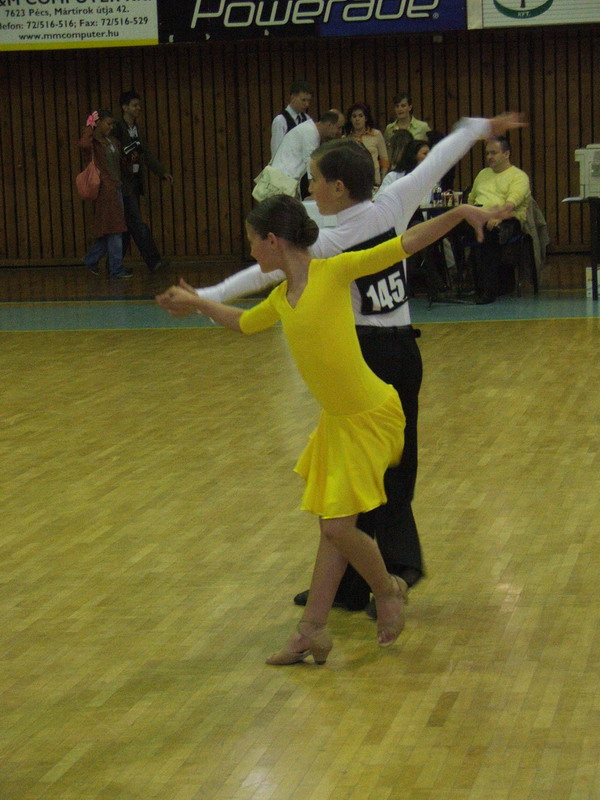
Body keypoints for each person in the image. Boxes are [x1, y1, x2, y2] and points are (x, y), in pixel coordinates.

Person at [157, 112, 525, 620]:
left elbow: (260, 275)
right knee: (357, 479)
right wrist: (478, 128)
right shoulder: (391, 203)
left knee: (381, 475)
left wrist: (205, 295)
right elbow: (440, 160)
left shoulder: (327, 249)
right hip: (393, 352)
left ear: (337, 187)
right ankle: (351, 584)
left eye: (314, 178)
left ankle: (394, 574)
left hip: (374, 356)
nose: (310, 186)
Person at [113, 91, 173, 274]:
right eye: (134, 105)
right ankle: (154, 261)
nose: (138, 108)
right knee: (136, 223)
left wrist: (161, 172)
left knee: (127, 227)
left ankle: (112, 265)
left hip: (134, 183)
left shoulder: (136, 129)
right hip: (123, 184)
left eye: (139, 105)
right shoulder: (117, 129)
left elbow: (145, 154)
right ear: (124, 107)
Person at [466, 136, 531, 304]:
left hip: (508, 220)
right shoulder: (482, 174)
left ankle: (488, 290)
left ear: (506, 154)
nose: (489, 157)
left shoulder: (518, 176)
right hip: (480, 217)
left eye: (493, 153)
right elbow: (471, 199)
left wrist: (497, 217)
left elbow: (512, 203)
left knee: (490, 233)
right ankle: (458, 284)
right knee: (450, 230)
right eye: (487, 153)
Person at [79, 109, 130, 280]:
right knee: (116, 229)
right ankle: (116, 268)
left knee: (111, 229)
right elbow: (83, 145)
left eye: (112, 124)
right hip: (106, 189)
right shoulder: (94, 143)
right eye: (108, 123)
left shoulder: (112, 141)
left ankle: (91, 259)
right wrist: (89, 126)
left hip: (116, 186)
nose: (111, 127)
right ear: (98, 123)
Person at [268, 109, 345, 199]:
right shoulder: (310, 132)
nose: (339, 132)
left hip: (284, 181)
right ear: (329, 125)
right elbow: (310, 164)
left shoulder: (310, 130)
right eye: (338, 127)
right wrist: (314, 192)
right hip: (281, 182)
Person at [344, 102, 389, 186]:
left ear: (366, 118)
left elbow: (384, 159)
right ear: (350, 119)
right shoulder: (345, 138)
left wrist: (383, 179)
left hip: (374, 181)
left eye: (360, 116)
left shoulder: (376, 134)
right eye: (354, 116)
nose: (357, 119)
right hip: (353, 182)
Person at [270, 80, 313, 158]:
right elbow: (276, 152)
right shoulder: (280, 121)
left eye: (308, 101)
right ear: (293, 98)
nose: (307, 104)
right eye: (303, 100)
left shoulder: (307, 119)